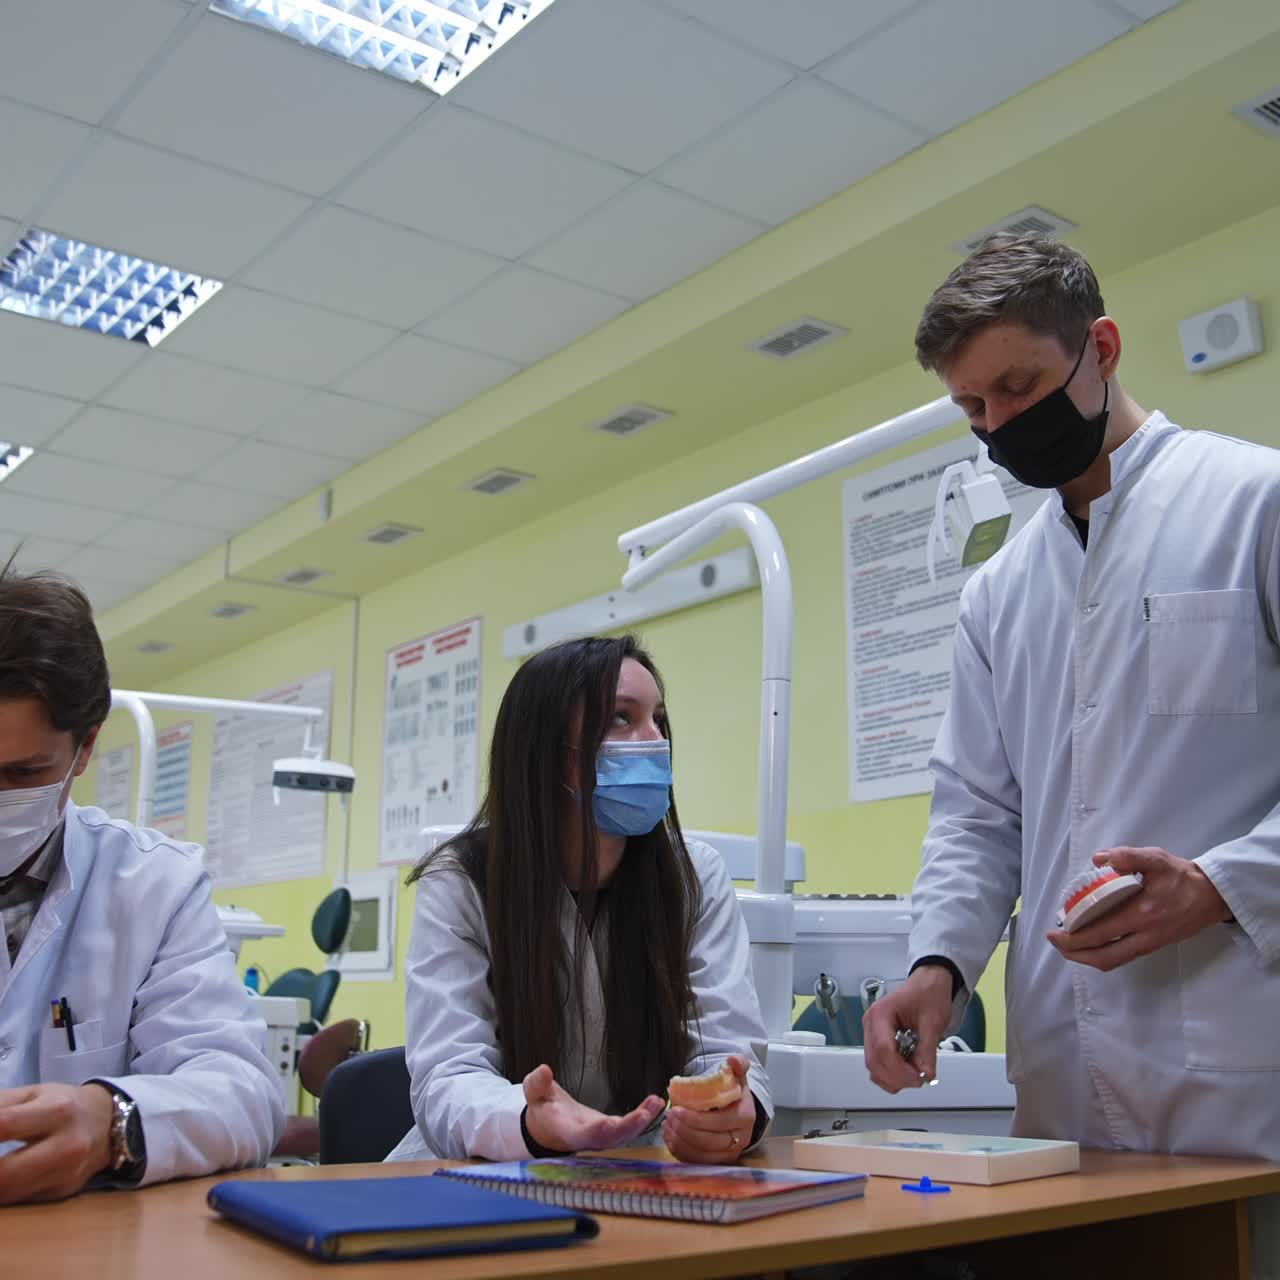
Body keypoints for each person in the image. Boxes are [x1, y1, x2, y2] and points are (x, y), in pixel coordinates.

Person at [861, 233, 1280, 1273]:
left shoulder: (1252, 505)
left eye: (1018, 385)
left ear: (1099, 348)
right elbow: (974, 815)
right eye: (973, 409)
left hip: (1239, 1068)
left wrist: (1222, 883)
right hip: (1064, 1083)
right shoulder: (997, 594)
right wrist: (937, 963)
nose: (1000, 425)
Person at [387, 634, 771, 1164]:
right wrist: (527, 1119)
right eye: (621, 717)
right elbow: (448, 1075)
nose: (652, 740)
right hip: (485, 1168)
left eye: (658, 719)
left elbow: (728, 1052)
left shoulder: (693, 876)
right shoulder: (463, 879)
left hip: (643, 1166)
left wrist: (732, 1114)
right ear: (545, 752)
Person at [0, 566, 283, 1203]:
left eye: (22, 772)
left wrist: (113, 1121)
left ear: (85, 747)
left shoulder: (156, 884)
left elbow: (242, 1094)